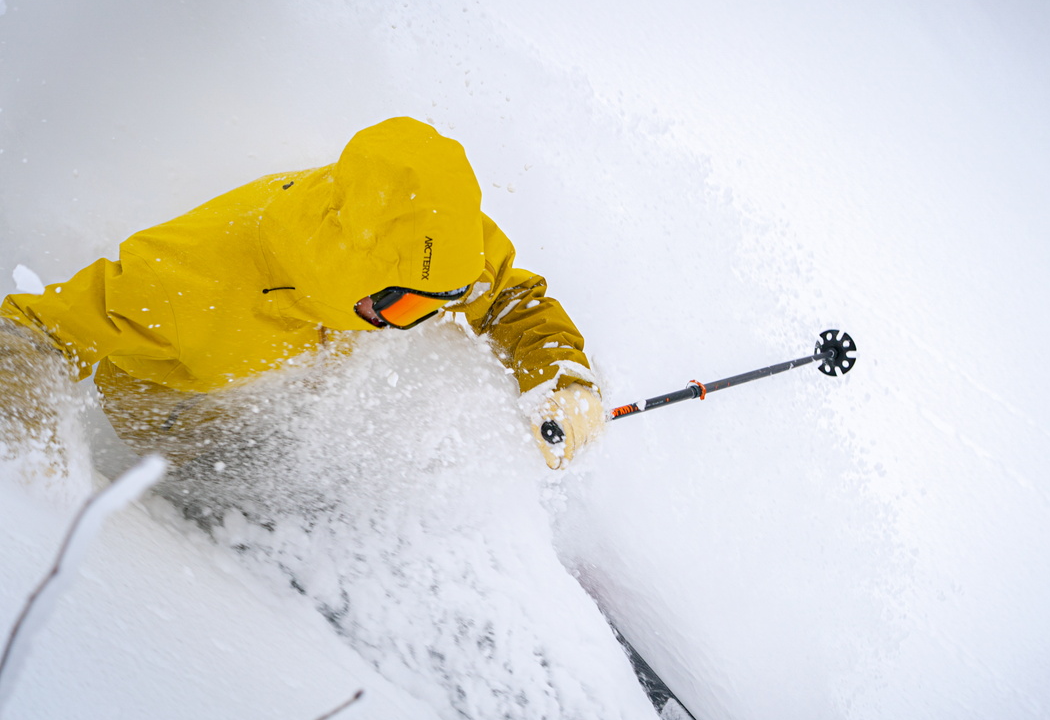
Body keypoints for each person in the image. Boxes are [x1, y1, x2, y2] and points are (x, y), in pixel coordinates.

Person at [0, 117, 604, 472]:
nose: (417, 325)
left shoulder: (435, 241)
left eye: (438, 304)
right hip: (179, 417)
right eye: (405, 309)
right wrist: (27, 457)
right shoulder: (183, 281)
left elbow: (504, 299)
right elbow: (35, 332)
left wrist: (559, 376)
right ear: (351, 273)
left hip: (300, 390)